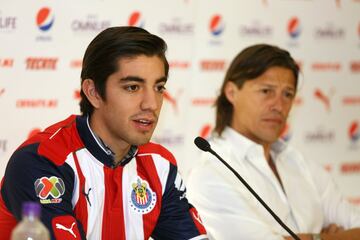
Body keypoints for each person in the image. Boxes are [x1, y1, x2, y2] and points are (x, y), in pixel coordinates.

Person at [0, 26, 207, 240]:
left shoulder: (159, 164)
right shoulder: (43, 161)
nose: (151, 104)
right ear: (94, 93)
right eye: (133, 87)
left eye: (159, 87)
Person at [187, 44, 360, 240]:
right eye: (266, 91)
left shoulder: (299, 163)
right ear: (231, 92)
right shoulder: (211, 173)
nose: (279, 106)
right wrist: (325, 236)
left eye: (288, 94)